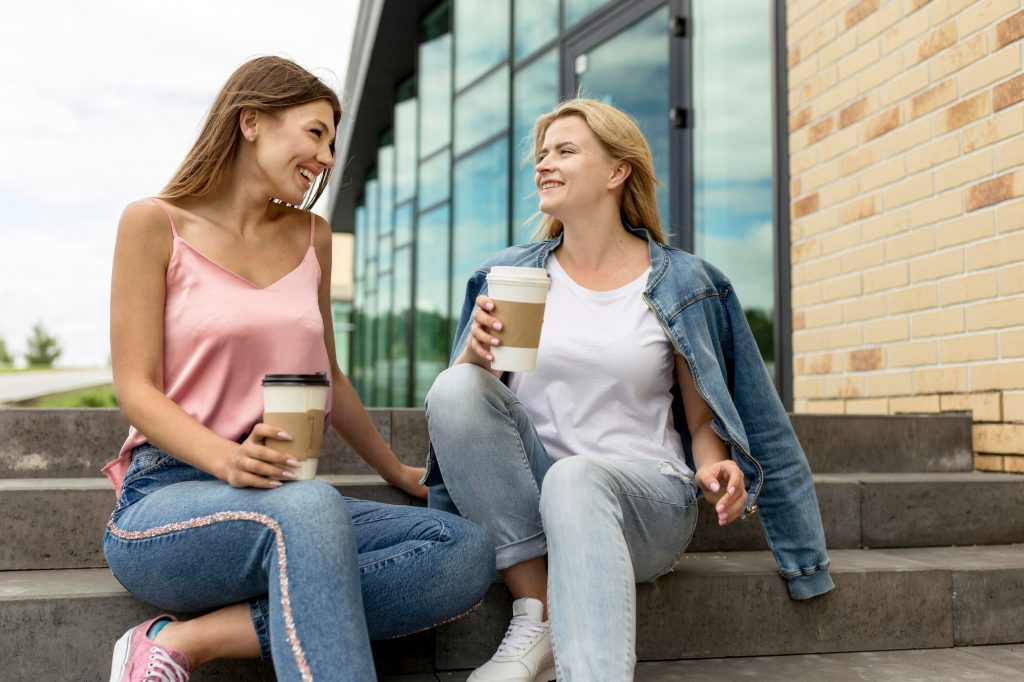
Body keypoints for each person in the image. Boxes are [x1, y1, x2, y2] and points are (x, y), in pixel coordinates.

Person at [102, 56, 494, 682]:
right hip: (168, 497)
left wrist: (395, 469)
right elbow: (135, 388)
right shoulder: (155, 224)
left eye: (334, 141)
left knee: (462, 550)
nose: (329, 156)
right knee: (310, 508)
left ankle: (184, 642)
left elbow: (329, 377)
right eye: (315, 133)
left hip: (286, 496)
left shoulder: (313, 236)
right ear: (251, 121)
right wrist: (226, 459)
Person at [424, 99, 833, 681]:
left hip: (646, 503)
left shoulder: (684, 282)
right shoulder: (510, 274)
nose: (544, 164)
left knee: (578, 476)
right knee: (454, 388)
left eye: (565, 151)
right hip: (538, 498)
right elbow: (470, 421)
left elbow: (703, 421)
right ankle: (535, 610)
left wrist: (716, 468)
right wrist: (474, 357)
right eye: (541, 154)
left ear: (618, 172)